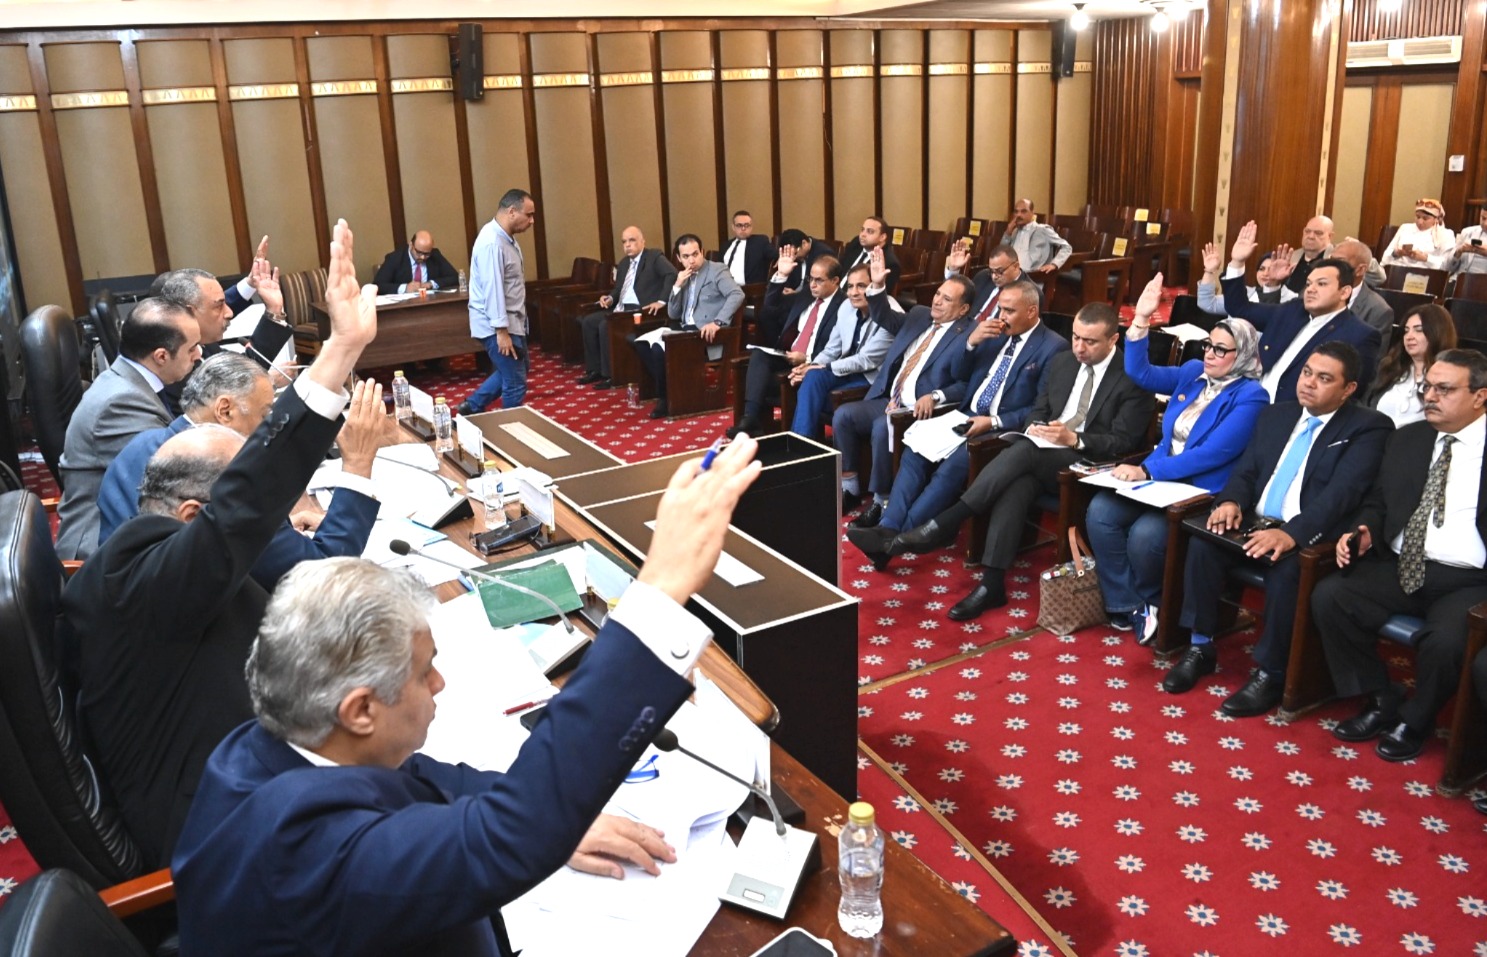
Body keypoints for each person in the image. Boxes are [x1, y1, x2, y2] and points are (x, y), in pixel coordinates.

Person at [171, 436, 764, 957]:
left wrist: (559, 823)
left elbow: (428, 782)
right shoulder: (313, 854)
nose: (439, 684)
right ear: (360, 710)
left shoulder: (267, 745)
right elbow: (503, 837)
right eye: (423, 673)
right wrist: (660, 590)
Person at [61, 218, 379, 867]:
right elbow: (243, 505)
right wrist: (340, 351)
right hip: (222, 832)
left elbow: (241, 511)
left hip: (233, 762)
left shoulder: (147, 551)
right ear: (190, 514)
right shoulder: (149, 580)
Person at [881, 302, 1154, 620]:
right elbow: (1039, 409)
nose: (1079, 347)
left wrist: (1074, 439)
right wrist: (1035, 427)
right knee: (1018, 484)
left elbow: (1123, 442)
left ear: (1113, 340)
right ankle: (992, 584)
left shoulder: (1132, 377)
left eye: (1090, 341)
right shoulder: (1064, 361)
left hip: (1090, 463)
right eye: (1076, 337)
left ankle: (946, 521)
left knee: (1024, 453)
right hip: (1043, 453)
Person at [1167, 342, 1391, 710]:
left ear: (1348, 389)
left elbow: (1342, 495)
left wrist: (1291, 534)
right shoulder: (1277, 414)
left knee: (1289, 571)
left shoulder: (1368, 428)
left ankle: (1271, 672)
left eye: (1324, 379)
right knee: (1205, 543)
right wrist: (1230, 501)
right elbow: (1246, 471)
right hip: (1254, 522)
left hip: (1308, 535)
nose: (1309, 383)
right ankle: (1200, 645)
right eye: (1307, 373)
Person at [1313, 348, 1487, 763]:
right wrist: (1366, 530)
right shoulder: (1409, 438)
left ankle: (1416, 721)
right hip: (1401, 563)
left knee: (1446, 642)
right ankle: (1379, 696)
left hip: (1467, 580)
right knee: (1332, 596)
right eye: (1428, 387)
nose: (1430, 397)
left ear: (1480, 396)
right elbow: (1379, 501)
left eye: (1445, 390)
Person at [94, 351, 382, 591]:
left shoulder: (143, 443)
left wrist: (277, 528)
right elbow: (324, 576)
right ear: (225, 410)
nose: (270, 426)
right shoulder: (219, 474)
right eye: (265, 414)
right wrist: (357, 464)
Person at [1088, 276, 1268, 642]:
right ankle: (1131, 604)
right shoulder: (1193, 373)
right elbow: (1140, 372)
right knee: (1100, 512)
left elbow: (1213, 453)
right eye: (1208, 345)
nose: (1210, 354)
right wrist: (1141, 319)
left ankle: (1156, 602)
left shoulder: (1251, 396)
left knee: (1145, 537)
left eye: (1221, 350)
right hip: (1158, 480)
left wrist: (1147, 469)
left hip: (1199, 489)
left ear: (1243, 355)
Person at [847, 278, 1068, 565]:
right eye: (1000, 309)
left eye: (1010, 311)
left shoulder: (1053, 347)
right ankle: (889, 528)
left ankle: (895, 540)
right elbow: (960, 376)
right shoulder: (994, 333)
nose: (1002, 317)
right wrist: (971, 344)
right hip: (962, 414)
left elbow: (1041, 409)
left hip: (1000, 430)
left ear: (1032, 311)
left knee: (950, 469)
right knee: (913, 452)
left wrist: (993, 422)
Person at [54, 298, 202, 561]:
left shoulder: (130, 380)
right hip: (100, 544)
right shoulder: (120, 403)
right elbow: (171, 475)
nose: (199, 354)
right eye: (192, 348)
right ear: (161, 356)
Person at [833, 275, 975, 524]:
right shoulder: (920, 314)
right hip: (890, 398)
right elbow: (883, 317)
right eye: (938, 294)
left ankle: (881, 502)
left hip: (917, 410)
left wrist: (935, 396)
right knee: (844, 415)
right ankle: (850, 488)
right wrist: (878, 285)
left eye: (947, 299)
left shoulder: (968, 334)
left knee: (882, 426)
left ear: (963, 309)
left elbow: (966, 384)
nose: (937, 301)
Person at [1220, 220, 1381, 402]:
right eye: (1309, 284)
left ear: (1344, 292)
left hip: (1295, 413)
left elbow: (1351, 395)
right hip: (1252, 399)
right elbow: (1240, 308)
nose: (1311, 289)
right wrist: (1237, 262)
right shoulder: (1293, 310)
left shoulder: (1359, 335)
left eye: (1321, 284)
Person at [729, 252, 848, 437]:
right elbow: (770, 309)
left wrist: (807, 359)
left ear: (835, 281)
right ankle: (751, 418)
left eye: (819, 280)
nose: (813, 284)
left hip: (815, 365)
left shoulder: (845, 306)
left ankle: (787, 434)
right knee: (758, 357)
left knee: (761, 381)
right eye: (810, 279)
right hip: (788, 356)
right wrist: (781, 276)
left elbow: (838, 348)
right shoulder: (806, 295)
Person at [630, 233, 743, 419]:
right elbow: (673, 314)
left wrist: (717, 322)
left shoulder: (717, 270)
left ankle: (666, 398)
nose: (691, 260)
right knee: (640, 343)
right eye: (686, 256)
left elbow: (737, 295)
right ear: (679, 258)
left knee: (658, 349)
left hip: (704, 334)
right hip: (684, 329)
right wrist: (677, 285)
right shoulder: (682, 275)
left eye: (695, 254)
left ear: (702, 252)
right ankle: (675, 390)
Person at [787, 257, 896, 440]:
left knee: (812, 394)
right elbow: (832, 349)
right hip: (845, 370)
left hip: (873, 378)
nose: (854, 293)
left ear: (876, 285)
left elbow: (866, 360)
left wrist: (824, 367)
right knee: (812, 378)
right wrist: (810, 366)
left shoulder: (891, 314)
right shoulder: (846, 306)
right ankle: (801, 443)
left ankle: (801, 444)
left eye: (861, 286)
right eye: (850, 286)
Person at [461, 189, 536, 414]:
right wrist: (501, 332)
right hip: (497, 324)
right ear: (512, 211)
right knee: (515, 381)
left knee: (515, 370)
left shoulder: (506, 238)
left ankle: (471, 406)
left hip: (511, 321)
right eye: (529, 215)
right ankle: (511, 428)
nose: (532, 221)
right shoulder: (492, 242)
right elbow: (492, 290)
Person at [575, 226, 676, 389]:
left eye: (632, 240)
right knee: (589, 321)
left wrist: (662, 301)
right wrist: (609, 298)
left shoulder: (654, 257)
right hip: (621, 308)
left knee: (606, 325)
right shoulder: (623, 264)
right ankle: (595, 370)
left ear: (643, 241)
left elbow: (672, 274)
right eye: (624, 242)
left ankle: (610, 375)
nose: (627, 245)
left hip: (641, 310)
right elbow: (618, 290)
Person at [1367, 303, 1457, 427]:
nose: (1409, 337)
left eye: (1418, 330)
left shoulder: (1450, 377)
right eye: (1406, 331)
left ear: (1437, 333)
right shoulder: (1389, 367)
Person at [1195, 242, 1296, 315]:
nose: (1265, 273)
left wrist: (1273, 284)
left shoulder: (1292, 299)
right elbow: (1207, 303)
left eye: (1271, 269)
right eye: (1261, 269)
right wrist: (1209, 271)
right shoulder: (1245, 293)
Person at [946, 241, 1031, 322]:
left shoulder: (1029, 293)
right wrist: (954, 269)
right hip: (965, 326)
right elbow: (959, 297)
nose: (994, 276)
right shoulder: (984, 276)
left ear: (1016, 266)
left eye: (999, 271)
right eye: (992, 271)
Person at [373, 230, 460, 294]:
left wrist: (431, 284)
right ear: (411, 245)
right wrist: (405, 288)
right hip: (404, 307)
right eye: (419, 252)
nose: (422, 257)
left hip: (430, 302)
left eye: (427, 254)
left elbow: (455, 277)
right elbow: (378, 285)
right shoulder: (395, 258)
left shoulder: (434, 255)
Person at [1000, 198, 1072, 275]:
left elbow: (1067, 247)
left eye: (1023, 211)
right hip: (1010, 274)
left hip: (1032, 276)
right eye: (1016, 211)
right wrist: (1007, 233)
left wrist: (1054, 264)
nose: (1018, 215)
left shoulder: (1043, 230)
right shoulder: (1014, 231)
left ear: (1032, 213)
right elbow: (1001, 253)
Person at [1380, 199, 1456, 270]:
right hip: (1398, 269)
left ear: (1436, 219)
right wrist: (1396, 253)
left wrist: (1425, 258)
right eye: (1418, 217)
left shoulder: (1445, 234)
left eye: (1425, 218)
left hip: (1425, 273)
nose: (1420, 222)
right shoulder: (1405, 228)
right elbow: (1385, 257)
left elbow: (1447, 264)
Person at [838, 216, 902, 294]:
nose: (863, 234)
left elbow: (880, 295)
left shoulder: (890, 263)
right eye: (862, 230)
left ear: (882, 237)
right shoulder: (856, 244)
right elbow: (839, 268)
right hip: (836, 293)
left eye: (870, 231)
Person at [1282, 215, 1336, 294]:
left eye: (1318, 233)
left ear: (1330, 236)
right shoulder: (1292, 257)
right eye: (1307, 231)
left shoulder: (1335, 259)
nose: (1311, 236)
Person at [718, 209, 774, 285]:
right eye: (739, 225)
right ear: (733, 227)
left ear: (751, 227)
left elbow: (776, 256)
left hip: (751, 289)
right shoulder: (725, 246)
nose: (743, 228)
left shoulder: (760, 242)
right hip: (725, 288)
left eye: (746, 225)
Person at [1448, 205, 1487, 280]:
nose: (1485, 223)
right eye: (1483, 218)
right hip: (1460, 279)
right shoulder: (1467, 232)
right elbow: (1449, 266)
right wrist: (1459, 251)